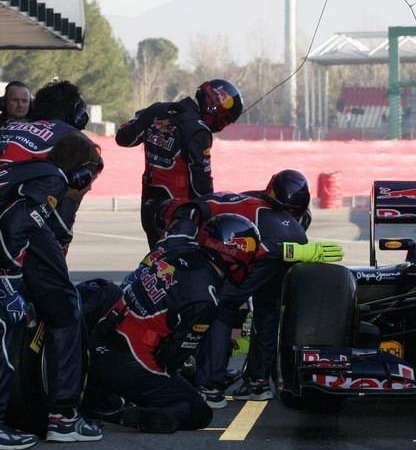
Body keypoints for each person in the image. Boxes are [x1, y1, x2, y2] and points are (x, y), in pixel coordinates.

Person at [161, 170, 342, 407]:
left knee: (220, 306)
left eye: (293, 210)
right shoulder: (300, 216)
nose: (289, 213)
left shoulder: (195, 209)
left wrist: (284, 251)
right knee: (268, 311)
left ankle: (210, 386)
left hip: (265, 248)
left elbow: (231, 248)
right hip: (283, 248)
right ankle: (258, 382)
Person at [81, 214, 261, 434]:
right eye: (249, 253)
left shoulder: (176, 254)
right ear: (232, 252)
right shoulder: (205, 299)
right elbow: (171, 357)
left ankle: (99, 396)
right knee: (200, 411)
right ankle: (133, 413)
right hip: (129, 362)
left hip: (100, 338)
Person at [0, 131, 104, 443]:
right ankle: (64, 416)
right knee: (65, 308)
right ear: (81, 173)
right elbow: (15, 227)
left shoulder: (23, 169)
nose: (89, 187)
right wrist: (9, 277)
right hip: (9, 261)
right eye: (91, 179)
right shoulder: (53, 180)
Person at [116, 79, 243, 249]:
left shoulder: (156, 110)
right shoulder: (198, 130)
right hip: (179, 211)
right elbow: (201, 182)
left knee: (157, 256)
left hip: (149, 205)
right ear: (214, 107)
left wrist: (141, 118)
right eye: (225, 119)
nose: (222, 125)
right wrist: (210, 211)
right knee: (181, 263)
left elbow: (123, 138)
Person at [1, 79, 93, 253]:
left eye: (24, 101)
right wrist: (63, 240)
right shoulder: (72, 137)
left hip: (13, 205)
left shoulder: (8, 127)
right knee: (63, 180)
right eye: (14, 100)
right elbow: (94, 165)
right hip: (21, 229)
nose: (20, 105)